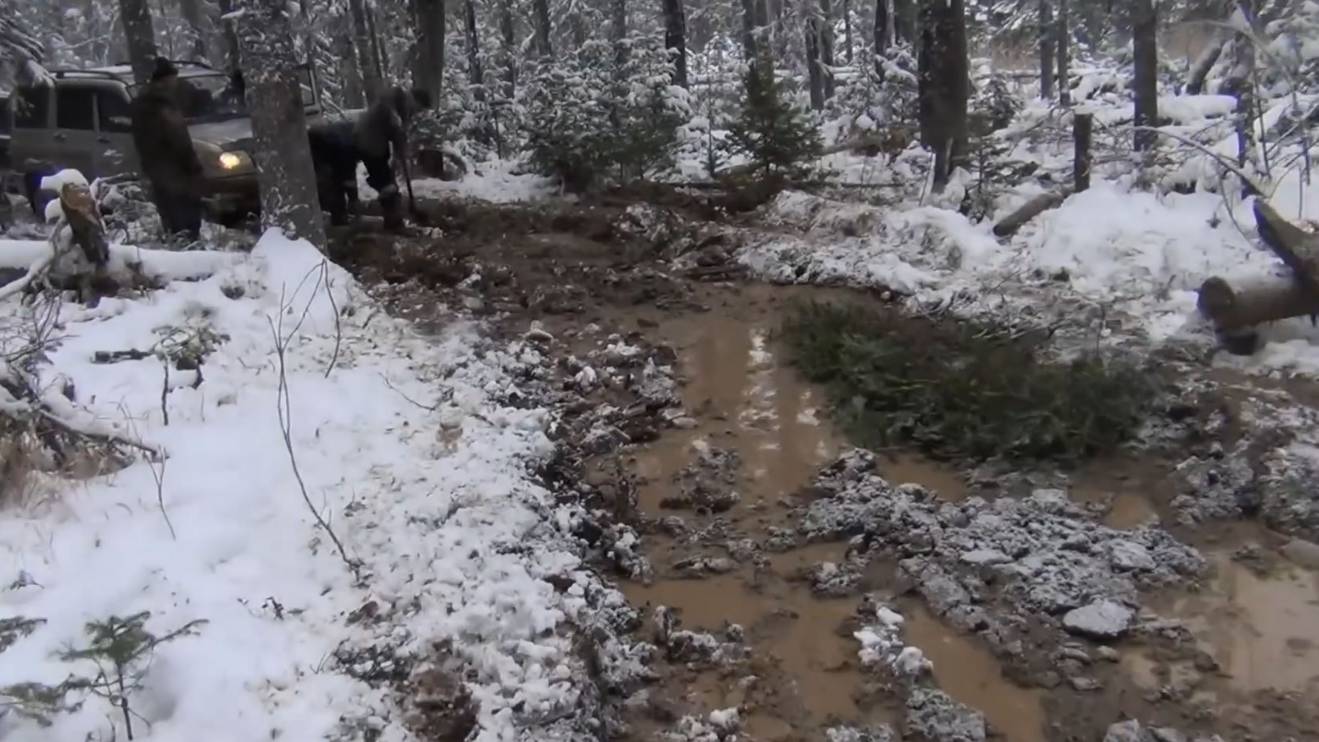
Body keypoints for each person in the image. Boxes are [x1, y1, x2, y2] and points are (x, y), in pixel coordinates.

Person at [308, 85, 430, 231]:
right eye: (419, 109)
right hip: (362, 144)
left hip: (364, 143)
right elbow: (390, 120)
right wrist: (396, 134)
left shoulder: (401, 107)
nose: (418, 113)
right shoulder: (393, 102)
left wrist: (399, 146)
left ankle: (348, 219)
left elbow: (396, 132)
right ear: (415, 100)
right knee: (365, 184)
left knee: (348, 182)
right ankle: (348, 223)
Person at [131, 57, 205, 241]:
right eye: (173, 78)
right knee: (185, 216)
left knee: (170, 216)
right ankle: (188, 246)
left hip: (157, 170)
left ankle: (175, 243)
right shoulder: (162, 105)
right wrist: (193, 165)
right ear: (164, 80)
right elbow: (178, 138)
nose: (175, 83)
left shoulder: (144, 103)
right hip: (175, 172)